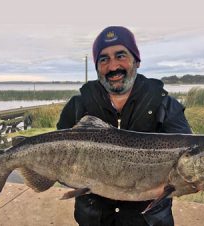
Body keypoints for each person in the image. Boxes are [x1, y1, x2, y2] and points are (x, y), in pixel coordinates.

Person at [57, 26, 192, 226]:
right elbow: (59, 161)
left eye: (121, 56)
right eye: (104, 59)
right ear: (97, 67)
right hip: (93, 219)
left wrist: (199, 178)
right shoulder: (77, 106)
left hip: (149, 221)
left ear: (136, 60)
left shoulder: (165, 105)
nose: (113, 67)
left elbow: (187, 162)